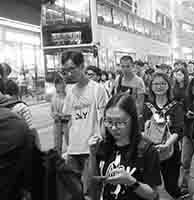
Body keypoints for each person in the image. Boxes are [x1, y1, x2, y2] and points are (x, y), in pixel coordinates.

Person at [89, 93, 161, 200]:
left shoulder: (146, 150)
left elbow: (153, 194)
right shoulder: (103, 145)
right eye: (109, 121)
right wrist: (92, 154)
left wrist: (131, 182)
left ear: (133, 120)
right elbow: (94, 181)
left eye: (120, 122)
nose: (113, 128)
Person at [61, 51, 109, 196]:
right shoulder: (70, 91)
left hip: (91, 150)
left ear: (81, 66)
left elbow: (104, 119)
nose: (69, 74)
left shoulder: (97, 89)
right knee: (72, 192)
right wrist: (67, 147)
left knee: (90, 192)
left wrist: (100, 141)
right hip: (73, 151)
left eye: (72, 69)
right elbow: (68, 120)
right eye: (65, 70)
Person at [143, 73, 188, 199]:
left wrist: (166, 145)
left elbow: (179, 130)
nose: (159, 86)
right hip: (150, 152)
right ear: (151, 86)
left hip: (171, 152)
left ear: (168, 86)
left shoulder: (176, 106)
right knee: (150, 186)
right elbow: (141, 129)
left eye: (163, 83)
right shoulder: (147, 106)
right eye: (156, 84)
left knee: (171, 186)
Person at [115, 56, 146, 121]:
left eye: (128, 66)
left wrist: (137, 116)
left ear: (132, 66)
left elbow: (141, 102)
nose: (125, 69)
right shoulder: (118, 79)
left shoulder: (139, 81)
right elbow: (116, 97)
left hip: (133, 114)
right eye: (123, 66)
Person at [51, 75, 69, 154]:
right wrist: (54, 115)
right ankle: (58, 162)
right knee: (57, 145)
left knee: (70, 144)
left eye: (62, 83)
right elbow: (52, 111)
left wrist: (62, 115)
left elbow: (71, 112)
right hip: (57, 123)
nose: (60, 86)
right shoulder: (54, 97)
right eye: (58, 84)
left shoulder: (68, 96)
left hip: (67, 123)